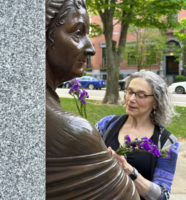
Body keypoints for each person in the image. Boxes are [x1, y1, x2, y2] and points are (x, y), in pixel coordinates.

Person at [45, 0, 140, 199]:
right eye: (78, 33)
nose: (91, 48)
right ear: (43, 36)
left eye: (140, 94)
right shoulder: (73, 132)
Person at [95, 70, 179, 200]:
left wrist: (128, 169)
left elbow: (162, 196)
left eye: (141, 95)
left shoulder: (167, 142)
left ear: (155, 102)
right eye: (130, 92)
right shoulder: (106, 125)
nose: (131, 99)